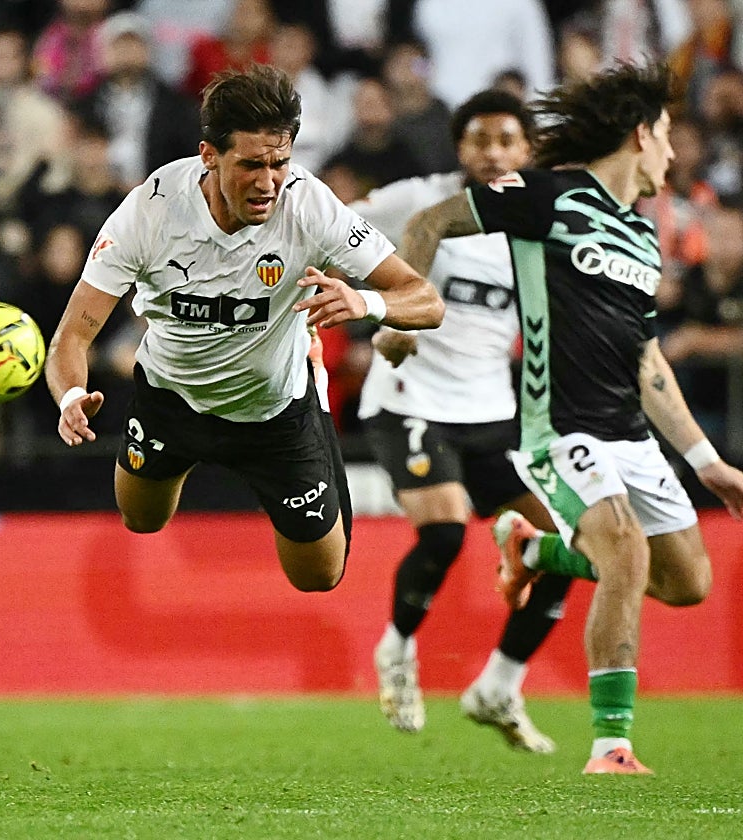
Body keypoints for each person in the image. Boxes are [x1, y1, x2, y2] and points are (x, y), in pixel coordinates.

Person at [401, 62, 743, 775]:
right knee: (623, 547)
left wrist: (706, 461)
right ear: (641, 133)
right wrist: (401, 311)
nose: (674, 154)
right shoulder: (545, 193)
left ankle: (533, 552)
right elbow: (432, 219)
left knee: (689, 583)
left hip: (631, 434)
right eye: (669, 137)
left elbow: (648, 363)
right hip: (559, 428)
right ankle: (611, 745)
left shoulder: (643, 239)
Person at [45, 64, 443, 598]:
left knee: (320, 577)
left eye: (280, 162)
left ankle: (303, 411)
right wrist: (70, 394)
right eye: (251, 165)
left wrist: (364, 300)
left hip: (274, 411)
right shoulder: (150, 210)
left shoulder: (309, 205)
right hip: (172, 397)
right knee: (141, 520)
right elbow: (71, 337)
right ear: (209, 155)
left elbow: (426, 300)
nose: (268, 182)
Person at [357, 89, 568, 752]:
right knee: (445, 533)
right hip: (409, 399)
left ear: (529, 150)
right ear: (460, 148)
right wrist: (373, 308)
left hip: (492, 414)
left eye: (507, 140)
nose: (492, 152)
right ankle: (396, 651)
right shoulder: (415, 200)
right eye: (479, 140)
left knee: (567, 546)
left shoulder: (540, 219)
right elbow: (335, 228)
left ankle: (500, 685)